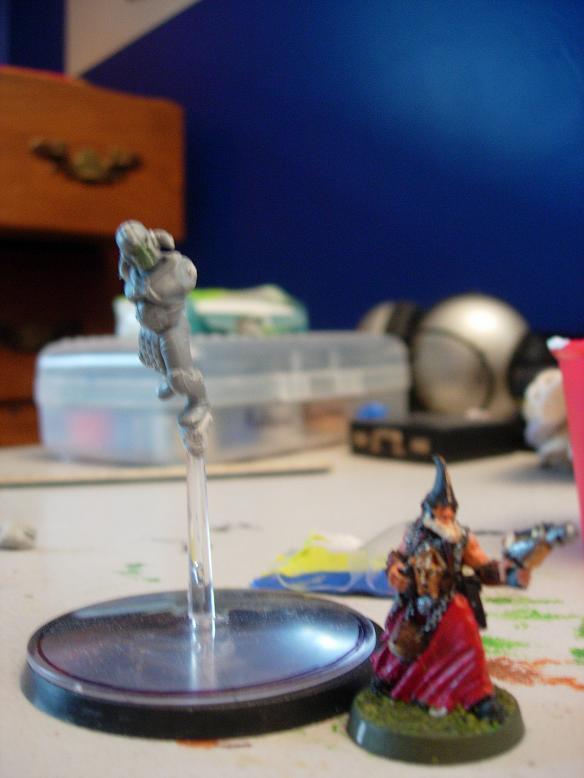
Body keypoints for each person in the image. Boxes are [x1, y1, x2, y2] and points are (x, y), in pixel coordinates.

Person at [371, 455, 529, 722]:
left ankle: (479, 698)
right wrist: (395, 568)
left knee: (467, 646)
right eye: (440, 509)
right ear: (429, 509)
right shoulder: (415, 533)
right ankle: (390, 681)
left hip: (448, 603)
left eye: (449, 510)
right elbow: (398, 555)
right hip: (415, 600)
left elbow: (484, 567)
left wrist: (511, 575)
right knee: (402, 642)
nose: (446, 514)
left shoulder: (463, 539)